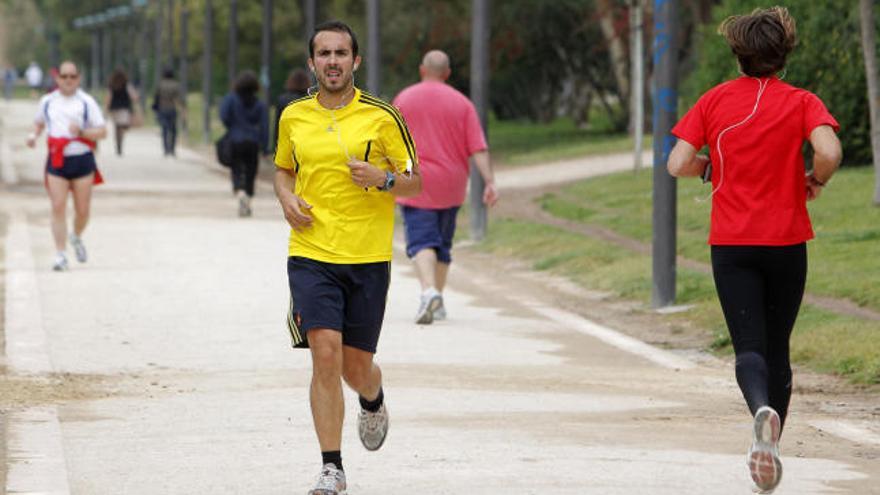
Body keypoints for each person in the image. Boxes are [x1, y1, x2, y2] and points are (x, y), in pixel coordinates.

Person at [666, 7, 841, 494]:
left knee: (748, 346)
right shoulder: (803, 101)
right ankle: (771, 444)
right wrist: (817, 181)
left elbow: (677, 161)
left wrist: (709, 169)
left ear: (738, 53)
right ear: (784, 53)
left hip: (732, 243)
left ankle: (759, 412)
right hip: (786, 242)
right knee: (778, 347)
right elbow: (828, 151)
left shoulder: (715, 100)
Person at [274, 20, 421, 495]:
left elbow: (416, 181)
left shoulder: (383, 116)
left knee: (356, 368)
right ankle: (331, 468)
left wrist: (382, 179)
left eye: (341, 54)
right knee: (324, 356)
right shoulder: (293, 116)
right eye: (324, 54)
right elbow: (282, 170)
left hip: (367, 257)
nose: (332, 62)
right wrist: (286, 197)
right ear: (312, 62)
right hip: (311, 253)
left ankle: (372, 398)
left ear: (355, 61)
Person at [393, 49, 498, 324]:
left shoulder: (404, 98)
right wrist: (489, 181)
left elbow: (388, 141)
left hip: (416, 181)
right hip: (452, 184)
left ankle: (428, 292)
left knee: (421, 241)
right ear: (447, 73)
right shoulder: (463, 104)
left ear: (422, 70)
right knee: (442, 244)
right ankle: (437, 299)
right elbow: (478, 148)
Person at [26, 61, 107, 271]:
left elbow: (102, 131)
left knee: (82, 211)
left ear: (78, 79)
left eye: (72, 76)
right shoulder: (48, 101)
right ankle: (60, 254)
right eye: (64, 76)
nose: (68, 80)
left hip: (81, 159)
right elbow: (39, 122)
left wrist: (81, 132)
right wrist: (34, 135)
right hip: (57, 159)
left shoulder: (87, 102)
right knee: (57, 206)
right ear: (57, 78)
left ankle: (76, 236)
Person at [220, 70, 269, 217]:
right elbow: (265, 126)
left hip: (235, 139)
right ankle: (248, 196)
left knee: (236, 168)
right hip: (253, 141)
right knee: (251, 171)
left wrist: (232, 127)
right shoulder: (260, 104)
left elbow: (224, 116)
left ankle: (239, 191)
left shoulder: (231, 99)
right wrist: (265, 147)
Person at [274, 68, 311, 151]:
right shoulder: (310, 99)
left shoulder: (282, 99)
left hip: (288, 139)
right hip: (305, 141)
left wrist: (276, 145)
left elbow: (278, 124)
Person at [104, 68, 140, 156]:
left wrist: (106, 108)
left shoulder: (111, 85)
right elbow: (133, 96)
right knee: (123, 126)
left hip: (114, 109)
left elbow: (109, 97)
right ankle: (120, 142)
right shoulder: (126, 84)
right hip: (124, 108)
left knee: (117, 126)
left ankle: (118, 144)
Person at [153, 67, 182, 156]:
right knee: (173, 129)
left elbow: (156, 97)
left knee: (164, 129)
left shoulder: (160, 85)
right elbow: (177, 99)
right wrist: (181, 109)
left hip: (162, 109)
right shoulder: (176, 85)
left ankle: (166, 149)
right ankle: (172, 149)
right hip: (172, 109)